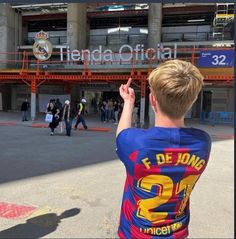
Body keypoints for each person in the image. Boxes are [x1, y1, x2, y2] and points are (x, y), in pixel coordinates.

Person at [115, 60, 212, 239]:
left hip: (135, 233)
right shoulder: (203, 142)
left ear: (152, 99)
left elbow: (121, 133)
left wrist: (128, 102)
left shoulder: (136, 143)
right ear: (192, 100)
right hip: (178, 233)